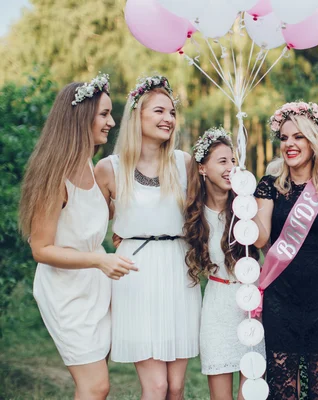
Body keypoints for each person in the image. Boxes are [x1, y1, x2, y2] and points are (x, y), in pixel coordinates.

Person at [20, 74, 136, 399]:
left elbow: (96, 218)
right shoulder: (53, 173)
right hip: (64, 291)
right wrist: (99, 259)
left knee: (96, 383)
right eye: (103, 114)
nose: (111, 122)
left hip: (95, 286)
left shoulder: (91, 165)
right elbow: (41, 248)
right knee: (95, 385)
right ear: (79, 116)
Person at [95, 75, 201, 400]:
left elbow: (202, 218)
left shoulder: (184, 163)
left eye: (171, 112)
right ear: (136, 115)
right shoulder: (109, 169)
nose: (168, 119)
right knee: (155, 387)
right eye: (158, 111)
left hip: (179, 270)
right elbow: (92, 225)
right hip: (135, 274)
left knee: (176, 387)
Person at [253, 101, 318, 399]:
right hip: (281, 296)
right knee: (283, 384)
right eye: (285, 138)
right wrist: (244, 208)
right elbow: (261, 240)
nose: (289, 144)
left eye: (298, 137)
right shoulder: (269, 186)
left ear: (315, 141)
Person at [183, 127, 265, 399]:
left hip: (250, 304)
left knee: (251, 391)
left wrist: (247, 204)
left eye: (233, 161)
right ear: (203, 168)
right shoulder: (193, 213)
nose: (231, 168)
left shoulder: (246, 207)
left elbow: (263, 240)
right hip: (217, 307)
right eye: (222, 161)